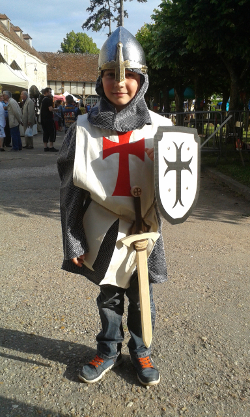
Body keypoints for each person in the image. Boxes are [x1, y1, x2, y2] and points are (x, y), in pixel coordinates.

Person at [57, 27, 172, 387]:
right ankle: (108, 349)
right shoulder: (83, 130)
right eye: (110, 74)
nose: (119, 83)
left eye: (128, 76)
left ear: (143, 80)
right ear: (100, 80)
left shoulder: (163, 129)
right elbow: (70, 191)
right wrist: (73, 240)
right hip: (102, 228)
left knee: (141, 297)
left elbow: (175, 187)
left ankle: (140, 351)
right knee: (108, 296)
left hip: (144, 230)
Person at [40, 87, 58, 152]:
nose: (50, 93)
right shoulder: (48, 99)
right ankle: (51, 146)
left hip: (43, 119)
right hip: (48, 119)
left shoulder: (41, 99)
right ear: (46, 92)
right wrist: (56, 109)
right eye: (49, 92)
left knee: (45, 132)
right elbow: (50, 109)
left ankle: (45, 146)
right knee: (52, 132)